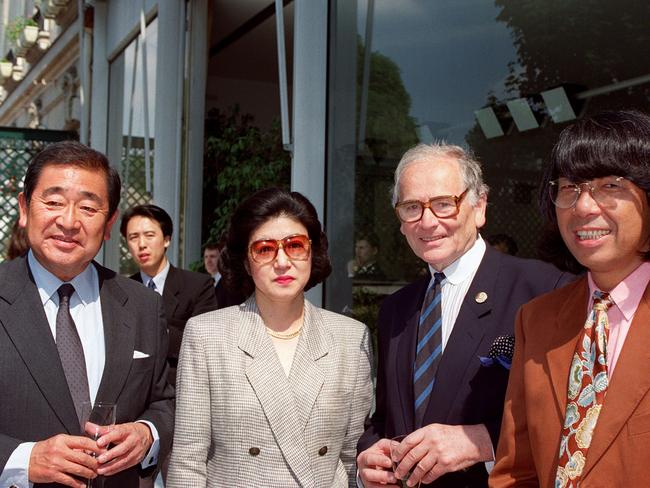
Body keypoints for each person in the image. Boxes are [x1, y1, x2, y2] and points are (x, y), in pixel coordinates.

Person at [356, 143, 570, 488]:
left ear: (479, 206)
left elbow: (578, 416)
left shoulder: (546, 290)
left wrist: (483, 441)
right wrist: (368, 457)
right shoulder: (395, 310)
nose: (427, 221)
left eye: (444, 204)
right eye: (412, 207)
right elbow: (385, 420)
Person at [168, 187, 373, 487]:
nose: (281, 262)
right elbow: (188, 461)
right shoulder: (207, 335)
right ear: (245, 261)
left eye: (295, 245)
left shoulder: (350, 338)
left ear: (312, 251)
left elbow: (353, 459)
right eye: (264, 249)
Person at [490, 110, 650, 487]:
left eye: (611, 185)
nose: (583, 207)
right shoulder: (536, 319)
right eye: (569, 188)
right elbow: (516, 471)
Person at [0, 141, 174, 487]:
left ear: (109, 225)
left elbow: (164, 401)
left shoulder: (143, 306)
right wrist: (22, 459)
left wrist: (147, 434)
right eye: (53, 202)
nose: (68, 221)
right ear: (24, 208)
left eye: (88, 209)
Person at [120, 204, 218, 387]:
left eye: (149, 235)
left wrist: (154, 331)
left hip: (180, 390)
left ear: (166, 239)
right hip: (132, 390)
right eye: (133, 237)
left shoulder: (198, 286)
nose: (142, 244)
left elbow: (206, 344)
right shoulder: (121, 290)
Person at [203, 238, 247, 308]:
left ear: (220, 258)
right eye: (206, 257)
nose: (208, 261)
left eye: (212, 256)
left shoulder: (229, 283)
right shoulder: (205, 284)